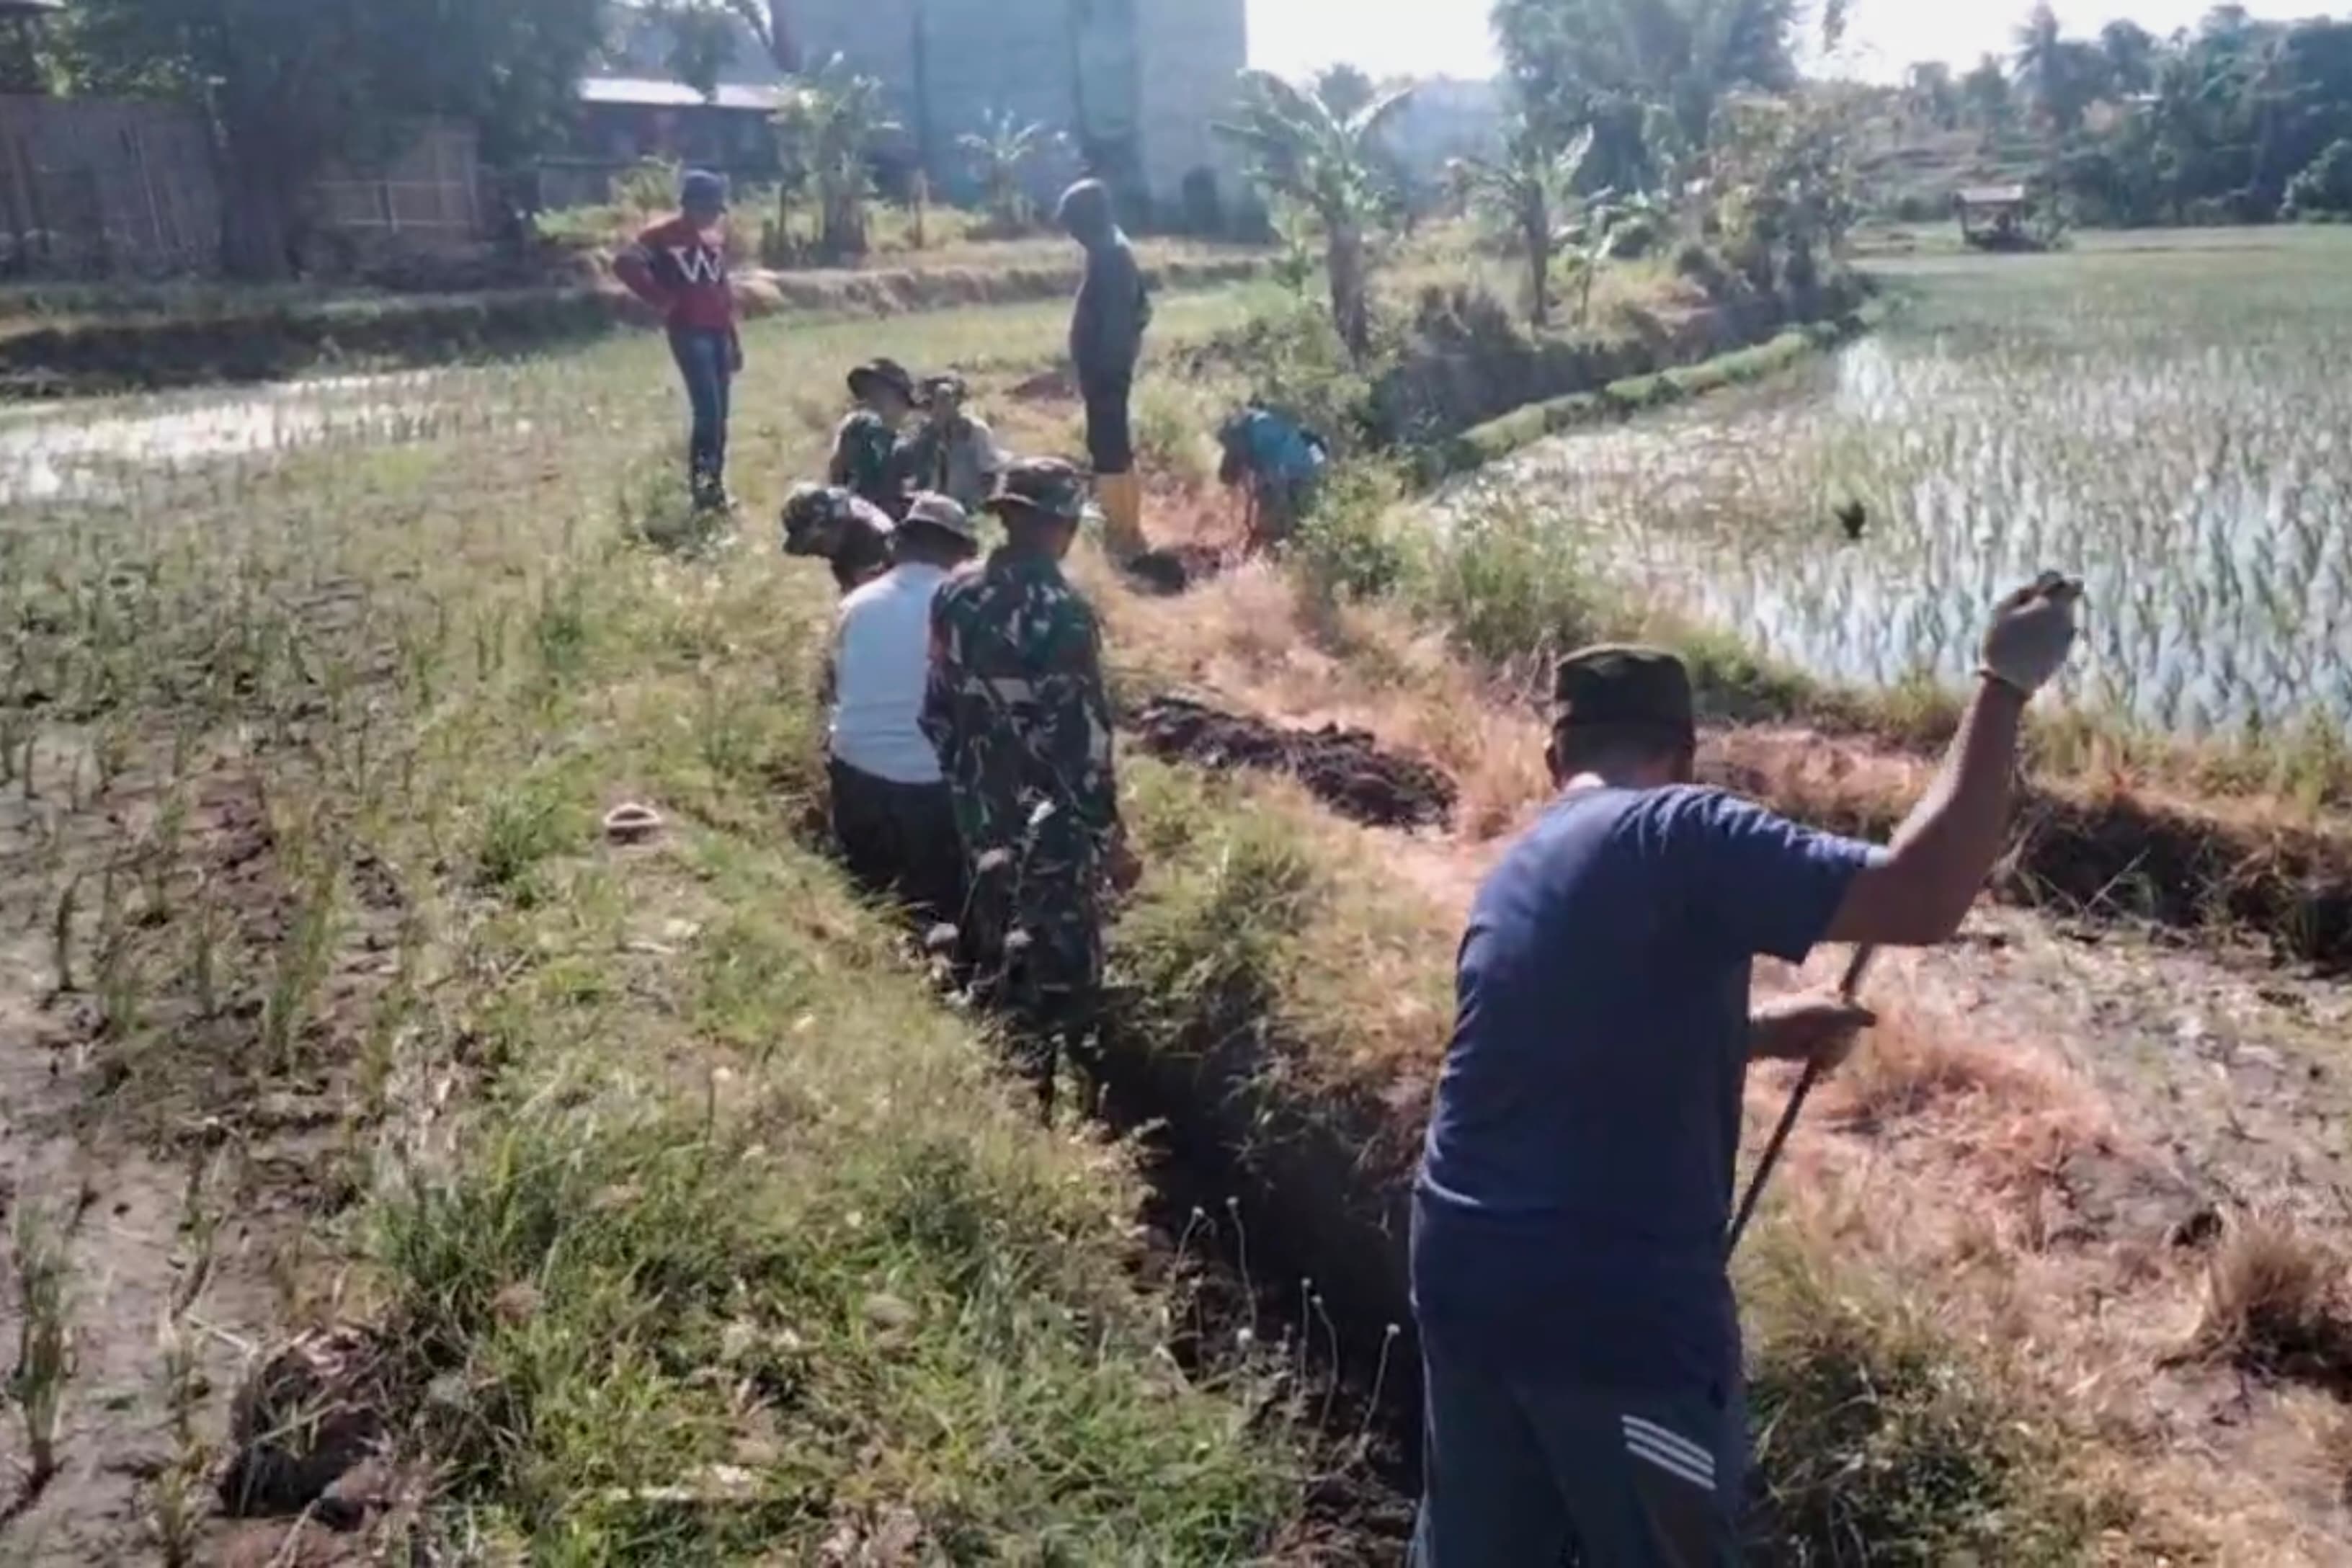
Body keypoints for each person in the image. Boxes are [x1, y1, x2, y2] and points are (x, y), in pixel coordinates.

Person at [1409, 575, 2085, 1567]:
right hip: (1614, 1310)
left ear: (1558, 758)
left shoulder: (1520, 863)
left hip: (1462, 1271)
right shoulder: (1680, 826)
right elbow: (1923, 896)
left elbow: (1575, 1045)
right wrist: (2002, 684)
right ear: (1683, 755)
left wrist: (1761, 1030)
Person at [922, 457, 1138, 1118]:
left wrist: (974, 787)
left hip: (979, 815)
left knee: (997, 944)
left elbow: (934, 715)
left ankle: (1004, 1093)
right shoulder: (1062, 614)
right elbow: (1080, 746)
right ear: (1060, 526)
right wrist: (1111, 838)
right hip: (1054, 830)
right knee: (1060, 974)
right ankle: (1054, 1110)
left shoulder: (953, 593)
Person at [825, 493, 981, 928]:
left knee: (869, 904)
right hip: (929, 789)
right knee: (942, 908)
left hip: (854, 775)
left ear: (901, 544)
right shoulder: (965, 608)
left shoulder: (856, 603)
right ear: (957, 552)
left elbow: (835, 688)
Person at [615, 169, 741, 511]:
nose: (716, 215)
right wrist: (662, 299)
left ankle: (715, 487)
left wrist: (734, 337)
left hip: (718, 333)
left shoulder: (712, 239)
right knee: (708, 413)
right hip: (690, 332)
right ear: (692, 203)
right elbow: (625, 263)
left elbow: (722, 292)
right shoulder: (660, 235)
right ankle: (702, 493)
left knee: (722, 416)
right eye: (711, 207)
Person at [1056, 179, 1152, 562]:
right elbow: (1143, 311)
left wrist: (1103, 376)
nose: (1072, 236)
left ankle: (1120, 534)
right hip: (1111, 372)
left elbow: (1119, 320)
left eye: (1073, 226)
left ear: (1087, 220)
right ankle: (1128, 528)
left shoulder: (1111, 257)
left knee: (1109, 452)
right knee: (1115, 449)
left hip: (1107, 374)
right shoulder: (1112, 249)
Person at [1217, 403, 1329, 553]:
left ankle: (1277, 548)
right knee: (1269, 505)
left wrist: (1272, 500)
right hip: (1288, 468)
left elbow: (1276, 470)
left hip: (1296, 470)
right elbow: (1244, 480)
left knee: (1280, 513)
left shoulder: (1261, 431)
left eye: (1230, 446)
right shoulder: (1249, 438)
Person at [897, 373, 1007, 515]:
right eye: (929, 406)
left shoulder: (975, 432)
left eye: (941, 404)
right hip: (935, 507)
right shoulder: (927, 434)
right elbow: (914, 472)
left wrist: (980, 508)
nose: (934, 412)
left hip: (967, 508)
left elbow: (990, 475)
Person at [830, 358, 918, 519]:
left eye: (881, 391)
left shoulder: (914, 438)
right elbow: (837, 474)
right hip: (856, 514)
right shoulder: (855, 427)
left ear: (901, 400)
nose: (873, 397)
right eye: (870, 391)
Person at [780, 484, 896, 594]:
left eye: (816, 543)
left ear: (830, 526)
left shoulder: (869, 544)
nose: (818, 553)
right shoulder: (845, 528)